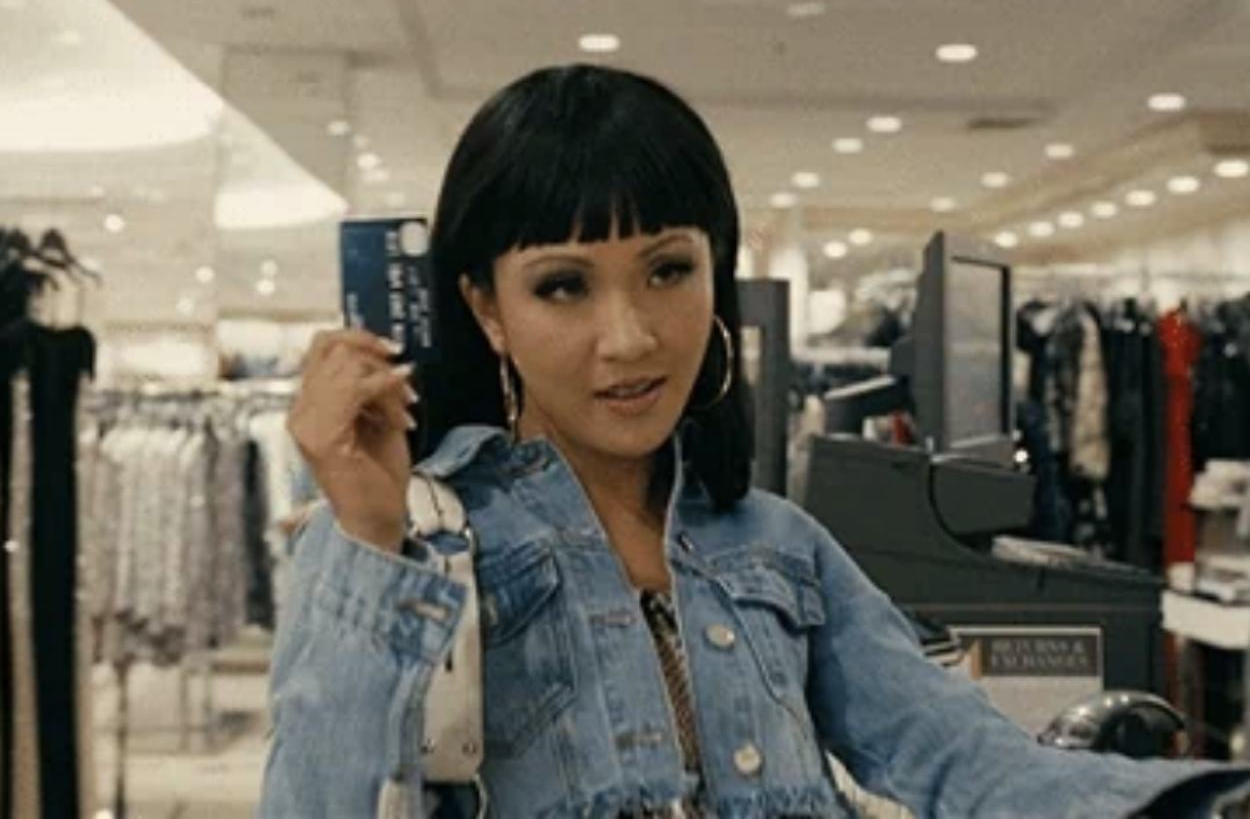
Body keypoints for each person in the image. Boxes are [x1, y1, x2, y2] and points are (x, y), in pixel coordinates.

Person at [260, 64, 1250, 818]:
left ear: (715, 270)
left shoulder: (772, 542)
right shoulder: (408, 547)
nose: (631, 336)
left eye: (666, 269)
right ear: (485, 305)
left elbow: (960, 755)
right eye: (563, 284)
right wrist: (366, 532)